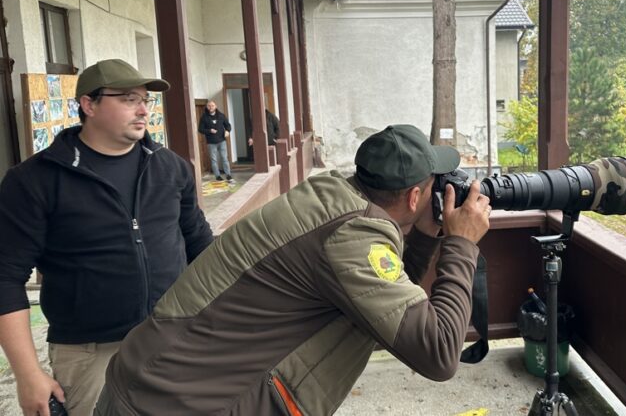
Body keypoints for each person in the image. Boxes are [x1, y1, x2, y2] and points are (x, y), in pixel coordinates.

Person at [94, 124, 491, 415]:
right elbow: (438, 354)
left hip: (156, 386)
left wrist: (423, 236)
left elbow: (387, 316)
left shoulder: (334, 197)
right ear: (416, 195)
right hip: (169, 404)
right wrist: (461, 243)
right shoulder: (352, 235)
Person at [0, 59, 214, 416]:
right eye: (129, 98)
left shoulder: (171, 168)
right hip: (90, 354)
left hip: (175, 339)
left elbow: (201, 246)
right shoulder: (34, 181)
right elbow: (5, 278)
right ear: (89, 105)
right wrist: (27, 373)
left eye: (146, 99)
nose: (144, 109)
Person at [198, 100, 233, 181]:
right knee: (214, 160)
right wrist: (210, 130)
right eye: (209, 106)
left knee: (224, 158)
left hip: (222, 141)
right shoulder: (204, 117)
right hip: (211, 142)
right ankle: (217, 176)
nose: (211, 107)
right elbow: (200, 129)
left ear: (215, 106)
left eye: (212, 105)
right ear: (207, 107)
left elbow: (228, 125)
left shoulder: (221, 116)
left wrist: (227, 131)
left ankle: (228, 174)